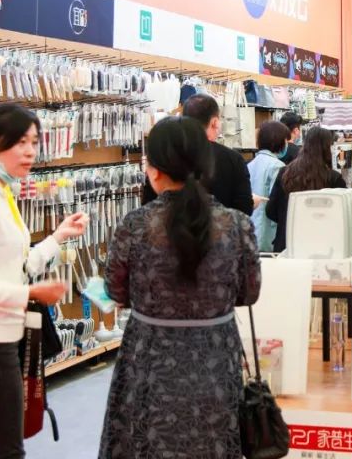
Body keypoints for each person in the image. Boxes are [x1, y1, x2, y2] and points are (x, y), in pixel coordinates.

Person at [99, 117, 261, 458]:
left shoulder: (135, 225)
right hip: (215, 356)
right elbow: (249, 293)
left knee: (145, 441)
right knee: (214, 440)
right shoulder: (237, 224)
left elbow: (116, 291)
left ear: (155, 170)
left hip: (150, 356)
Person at [0, 105, 89, 459]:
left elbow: (15, 266)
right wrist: (28, 293)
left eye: (34, 142)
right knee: (6, 451)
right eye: (19, 142)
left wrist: (57, 237)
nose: (30, 151)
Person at [266, 128, 347, 252]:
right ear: (326, 148)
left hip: (286, 244)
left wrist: (286, 219)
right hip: (321, 247)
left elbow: (270, 210)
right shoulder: (333, 178)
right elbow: (342, 217)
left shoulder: (285, 173)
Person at [183, 95, 253, 215]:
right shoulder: (233, 159)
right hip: (223, 225)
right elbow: (244, 209)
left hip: (173, 226)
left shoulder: (168, 154)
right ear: (215, 122)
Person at [247, 120, 290, 252]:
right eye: (285, 140)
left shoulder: (250, 164)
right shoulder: (277, 166)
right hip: (268, 232)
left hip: (251, 228)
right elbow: (277, 204)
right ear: (278, 141)